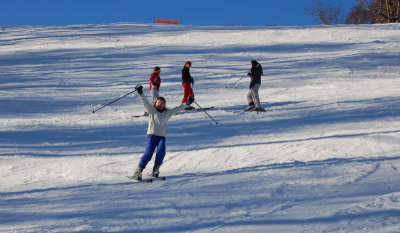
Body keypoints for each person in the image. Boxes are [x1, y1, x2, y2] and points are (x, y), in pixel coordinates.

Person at [131, 85, 194, 181]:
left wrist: (187, 103)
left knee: (161, 152)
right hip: (152, 136)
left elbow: (177, 109)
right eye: (158, 103)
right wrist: (140, 93)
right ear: (155, 104)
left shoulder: (167, 113)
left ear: (164, 105)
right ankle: (138, 171)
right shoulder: (151, 111)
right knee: (148, 153)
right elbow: (145, 102)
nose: (160, 104)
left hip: (162, 137)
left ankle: (155, 169)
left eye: (162, 103)